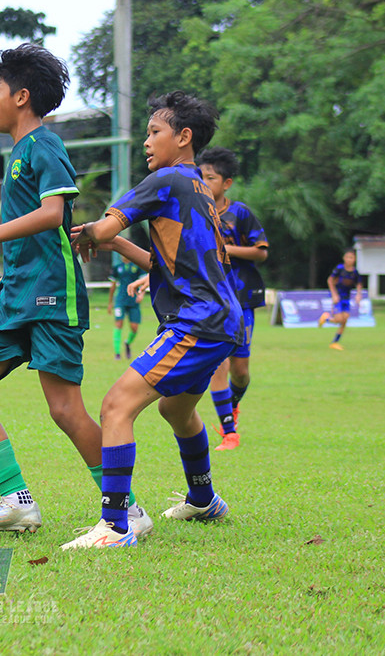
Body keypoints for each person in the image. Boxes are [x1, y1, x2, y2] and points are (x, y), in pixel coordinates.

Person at [0, 44, 153, 537]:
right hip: (14, 298)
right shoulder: (17, 153)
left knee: (64, 410)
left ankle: (129, 509)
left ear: (21, 96)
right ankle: (16, 502)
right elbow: (31, 249)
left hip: (52, 297)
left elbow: (54, 216)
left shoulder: (44, 145)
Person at [60, 90, 243, 550]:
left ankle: (116, 526)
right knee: (175, 409)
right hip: (221, 319)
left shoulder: (166, 180)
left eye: (154, 132)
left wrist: (65, 227)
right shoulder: (198, 187)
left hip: (196, 322)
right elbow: (170, 263)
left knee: (116, 407)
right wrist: (120, 246)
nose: (146, 142)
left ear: (183, 137)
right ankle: (203, 499)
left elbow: (102, 227)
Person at [196, 147, 269, 451]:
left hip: (242, 296)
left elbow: (261, 251)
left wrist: (225, 251)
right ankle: (229, 432)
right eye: (200, 177)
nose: (204, 183)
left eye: (210, 178)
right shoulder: (194, 212)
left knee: (240, 370)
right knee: (219, 363)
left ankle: (234, 404)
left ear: (226, 183)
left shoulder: (240, 214)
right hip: (210, 298)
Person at [318, 249, 363, 350]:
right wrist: (334, 294)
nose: (349, 259)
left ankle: (335, 342)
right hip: (338, 297)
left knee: (344, 320)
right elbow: (330, 280)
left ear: (354, 259)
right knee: (339, 319)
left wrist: (358, 295)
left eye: (351, 257)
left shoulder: (355, 272)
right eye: (347, 257)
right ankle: (326, 318)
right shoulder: (340, 269)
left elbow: (359, 284)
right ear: (344, 258)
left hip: (346, 299)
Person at [107, 254, 147, 360]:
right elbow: (113, 285)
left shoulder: (137, 266)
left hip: (133, 300)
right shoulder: (117, 267)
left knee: (134, 328)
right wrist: (110, 303)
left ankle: (127, 343)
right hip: (120, 300)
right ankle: (117, 353)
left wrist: (141, 294)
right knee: (118, 324)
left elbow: (144, 282)